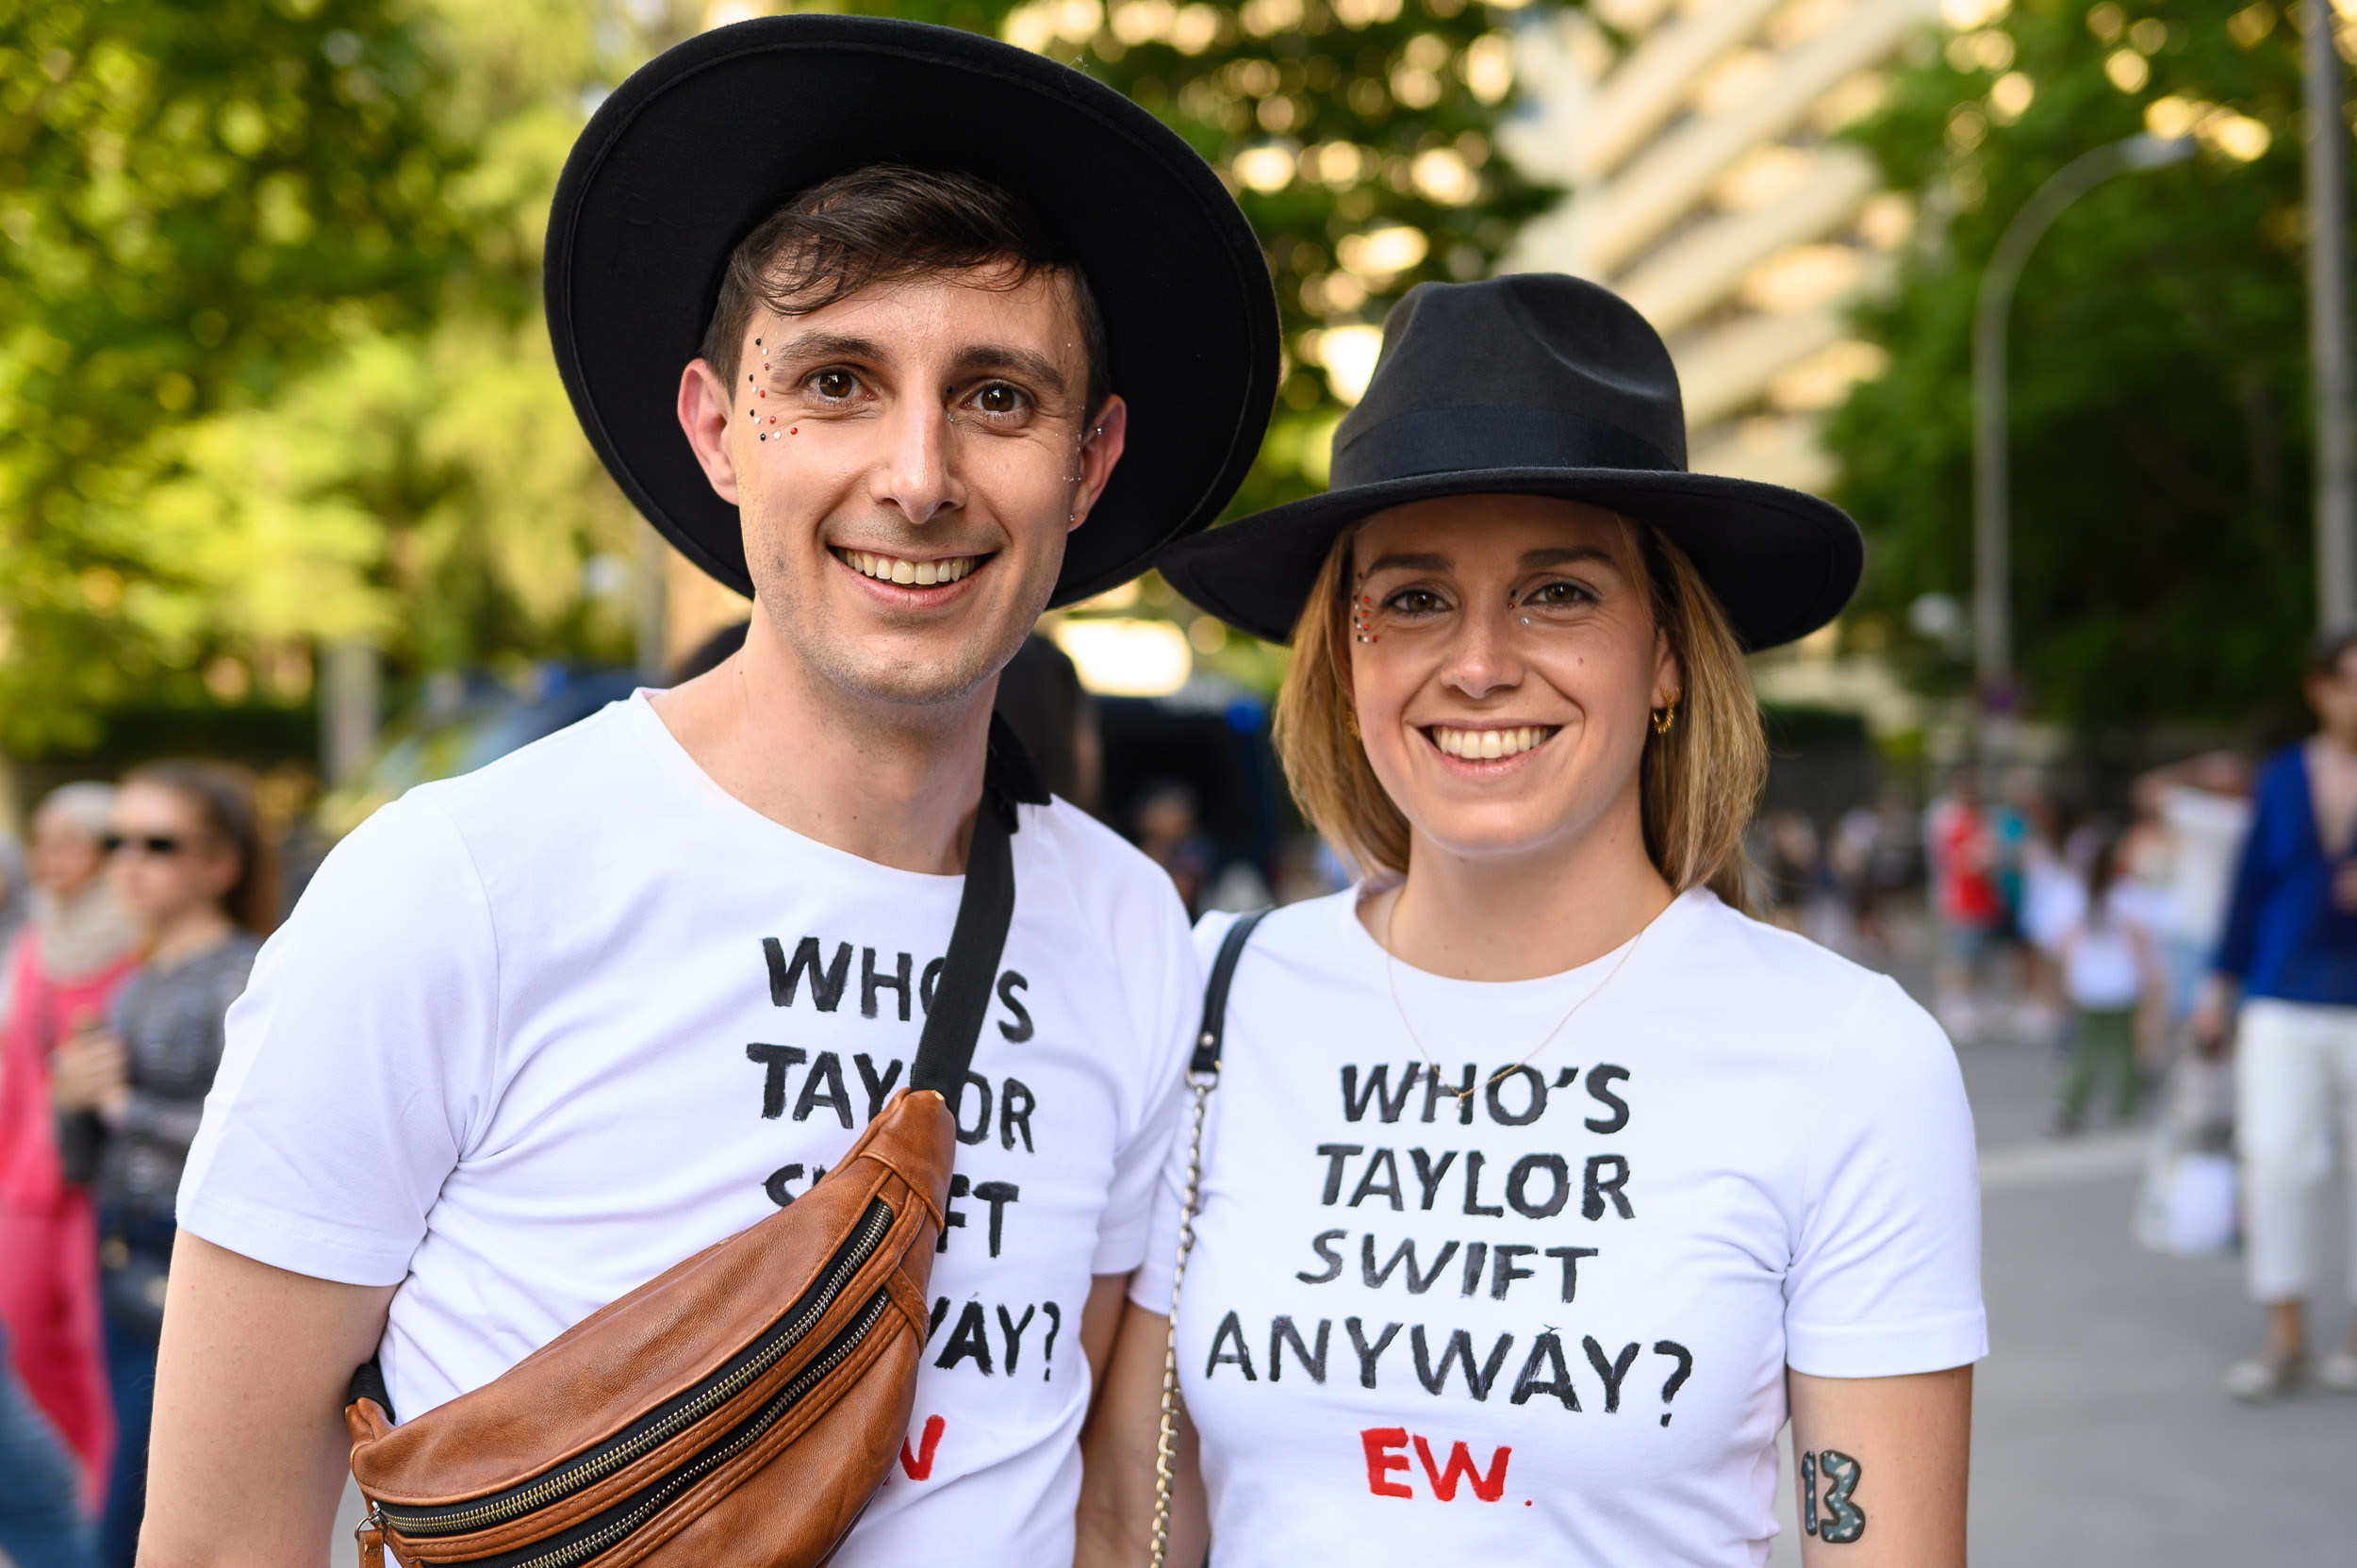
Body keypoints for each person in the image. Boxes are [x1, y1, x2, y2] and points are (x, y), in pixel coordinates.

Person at [145, 17, 1277, 1567]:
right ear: (717, 430)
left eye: (1000, 398)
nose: (920, 475)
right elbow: (219, 1538)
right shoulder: (458, 887)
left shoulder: (1129, 926)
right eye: (838, 382)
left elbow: (1090, 1494)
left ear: (1089, 464)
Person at [1079, 276, 1982, 1567]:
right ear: (1347, 655)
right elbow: (1130, 1520)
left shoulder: (1849, 1056)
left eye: (1558, 592)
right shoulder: (1215, 992)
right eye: (1414, 597)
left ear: (1665, 652)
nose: (1481, 664)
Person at [49, 764, 270, 1564]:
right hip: (121, 1248)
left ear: (222, 862)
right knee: (129, 1481)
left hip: (192, 1257)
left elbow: (259, 1138)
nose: (129, 861)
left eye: (158, 843)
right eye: (118, 841)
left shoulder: (245, 974)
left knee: (147, 1508)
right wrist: (72, 1098)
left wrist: (122, 1106)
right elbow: (80, 1161)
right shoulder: (135, 981)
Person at [2195, 625, 2357, 1401]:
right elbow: (2249, 887)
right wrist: (2216, 985)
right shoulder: (2284, 775)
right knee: (2277, 1161)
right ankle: (2285, 1332)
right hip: (2281, 994)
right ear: (2320, 688)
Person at [0, 784, 140, 1512]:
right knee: (22, 1333)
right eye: (42, 841)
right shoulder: (35, 946)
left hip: (100, 1181)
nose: (48, 858)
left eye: (67, 842)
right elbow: (17, 1072)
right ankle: (70, 1483)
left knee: (96, 1346)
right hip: (26, 1174)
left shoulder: (136, 943)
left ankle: (103, 1503)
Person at [2053, 836, 2159, 1133]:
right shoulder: (2125, 893)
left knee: (2088, 1048)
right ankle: (2124, 1108)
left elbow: (2063, 940)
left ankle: (2071, 1106)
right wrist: (2149, 972)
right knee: (2124, 1048)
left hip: (2089, 983)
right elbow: (2140, 937)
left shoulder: (2076, 893)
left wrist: (2069, 975)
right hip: (2121, 982)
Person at [1925, 770, 2000, 1039]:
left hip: (1980, 899)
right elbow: (1954, 859)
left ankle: (1973, 1001)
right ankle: (1953, 1004)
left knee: (1976, 955)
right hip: (1959, 900)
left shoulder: (1978, 818)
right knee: (1958, 955)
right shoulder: (1948, 819)